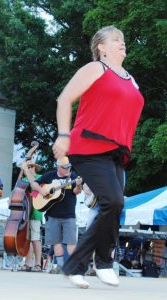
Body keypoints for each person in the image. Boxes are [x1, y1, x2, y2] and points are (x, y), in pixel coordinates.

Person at [52, 25, 144, 288]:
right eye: (116, 39)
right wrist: (63, 135)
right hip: (88, 145)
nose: (122, 43)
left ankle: (94, 264)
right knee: (113, 201)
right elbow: (64, 99)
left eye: (123, 39)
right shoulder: (95, 69)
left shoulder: (130, 78)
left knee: (114, 205)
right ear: (101, 47)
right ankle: (95, 263)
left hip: (115, 152)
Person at [29, 156, 82, 274]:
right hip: (52, 214)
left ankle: (73, 267)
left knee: (71, 242)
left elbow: (76, 192)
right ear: (58, 167)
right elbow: (34, 184)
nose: (68, 169)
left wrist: (78, 185)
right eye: (65, 167)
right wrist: (42, 191)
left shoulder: (73, 177)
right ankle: (61, 267)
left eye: (69, 166)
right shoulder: (50, 175)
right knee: (56, 242)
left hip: (69, 215)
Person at [20, 160, 43, 272]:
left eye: (31, 167)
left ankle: (38, 264)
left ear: (35, 168)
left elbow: (36, 187)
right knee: (26, 239)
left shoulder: (41, 177)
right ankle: (28, 263)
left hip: (36, 212)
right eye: (27, 167)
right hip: (24, 213)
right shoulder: (22, 180)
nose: (29, 169)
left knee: (35, 238)